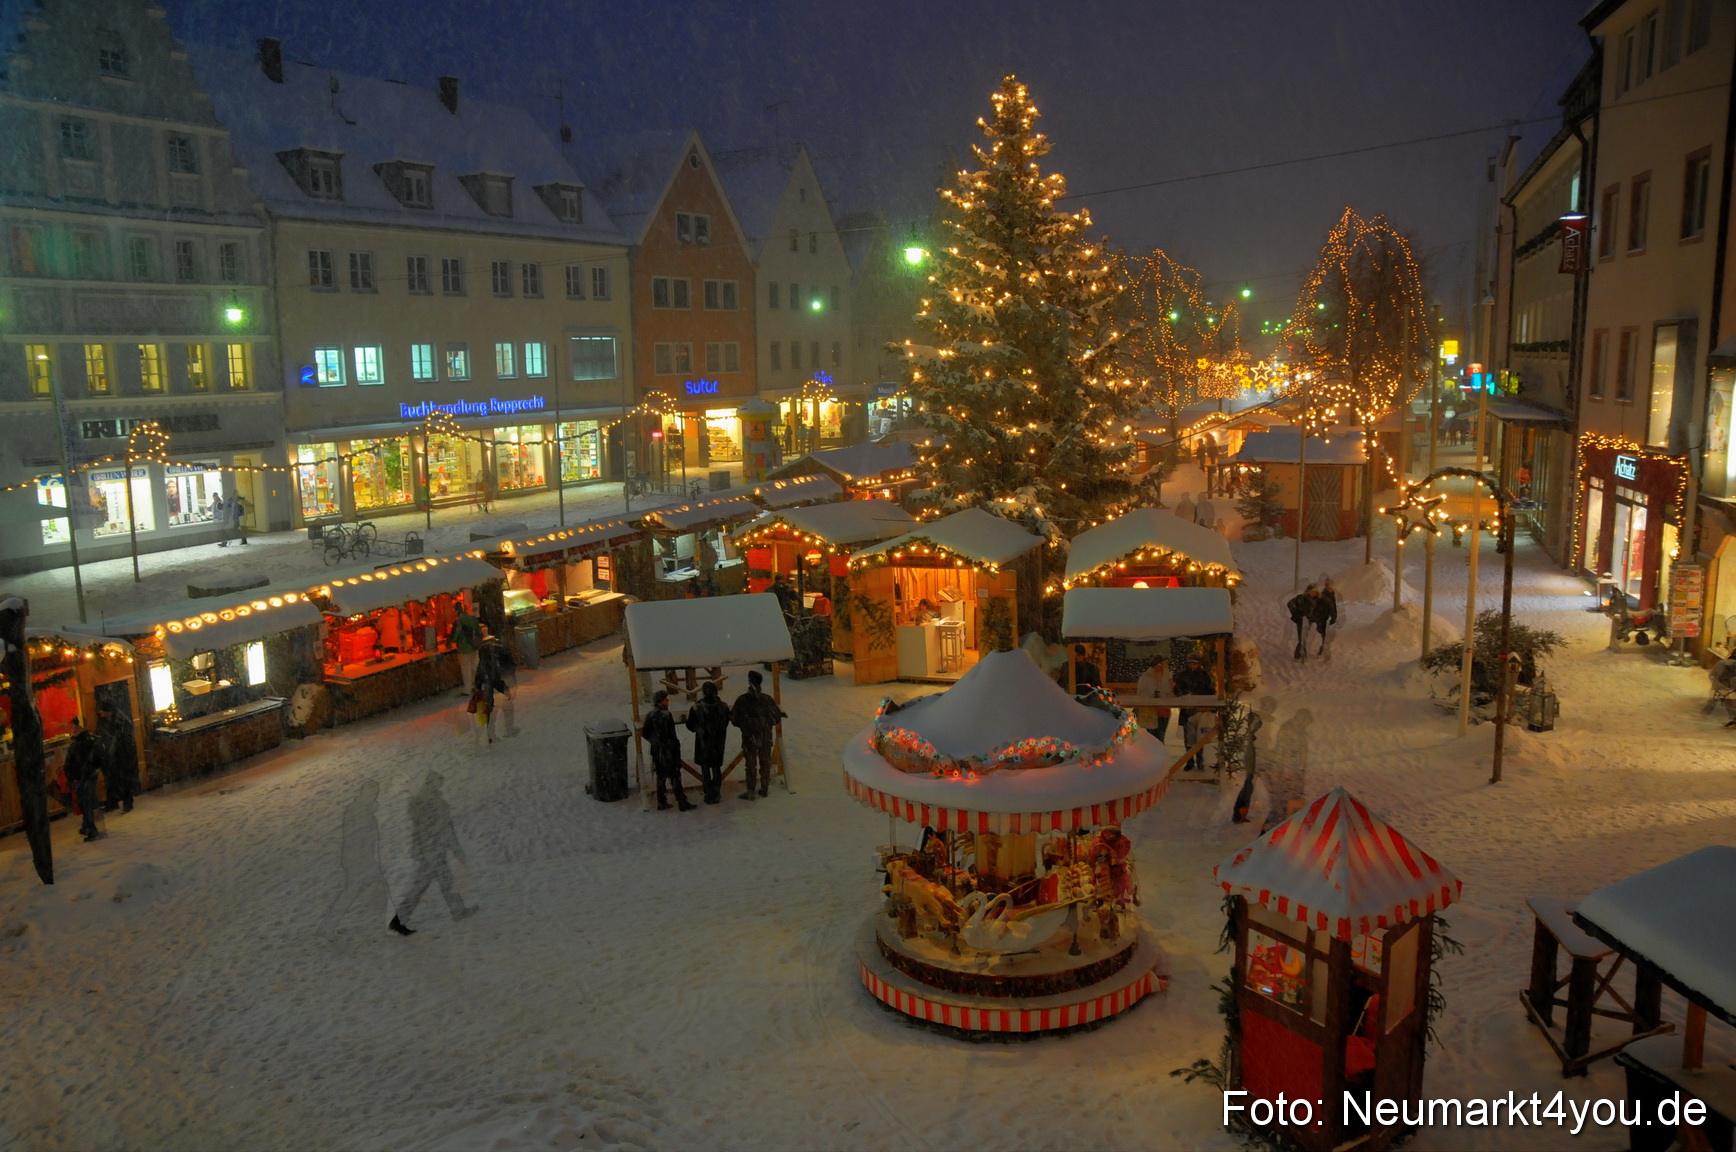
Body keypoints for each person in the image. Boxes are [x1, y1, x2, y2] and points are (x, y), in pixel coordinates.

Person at [389, 771, 477, 935]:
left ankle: (458, 911)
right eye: (437, 782)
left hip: (430, 851)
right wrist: (457, 851)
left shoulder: (421, 802)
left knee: (444, 882)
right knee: (421, 887)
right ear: (431, 783)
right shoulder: (433, 803)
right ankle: (398, 920)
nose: (439, 785)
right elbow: (445, 830)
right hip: (432, 852)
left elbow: (440, 828)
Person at [731, 669, 784, 800]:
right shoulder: (767, 699)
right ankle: (764, 788)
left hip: (750, 738)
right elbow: (776, 718)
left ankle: (751, 790)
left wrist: (746, 725)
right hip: (765, 737)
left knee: (750, 765)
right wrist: (765, 724)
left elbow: (734, 719)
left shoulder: (742, 700)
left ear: (749, 682)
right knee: (765, 763)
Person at [641, 690, 693, 811]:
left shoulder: (650, 714)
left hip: (657, 750)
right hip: (668, 750)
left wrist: (655, 741)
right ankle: (681, 801)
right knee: (675, 775)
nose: (668, 701)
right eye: (666, 699)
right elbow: (671, 735)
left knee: (661, 775)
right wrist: (674, 747)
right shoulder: (666, 715)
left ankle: (661, 801)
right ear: (661, 701)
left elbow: (645, 733)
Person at [684, 681, 732, 804]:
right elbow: (726, 722)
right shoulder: (724, 706)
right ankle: (716, 792)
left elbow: (691, 726)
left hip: (703, 744)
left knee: (705, 769)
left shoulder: (697, 707)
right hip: (718, 743)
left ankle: (708, 794)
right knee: (716, 768)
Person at [62, 719, 105, 840]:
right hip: (85, 775)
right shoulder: (87, 740)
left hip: (83, 775)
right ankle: (87, 825)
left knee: (85, 802)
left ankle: (91, 828)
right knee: (85, 801)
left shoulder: (82, 742)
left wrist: (73, 774)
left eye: (74, 728)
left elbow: (79, 761)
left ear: (79, 728)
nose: (72, 730)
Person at [1173, 655, 1217, 772]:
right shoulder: (1182, 676)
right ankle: (1189, 761)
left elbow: (1211, 691)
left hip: (1202, 711)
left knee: (1201, 737)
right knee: (1189, 738)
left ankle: (1201, 761)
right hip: (1187, 712)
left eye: (1195, 663)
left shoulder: (1205, 675)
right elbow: (1177, 690)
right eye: (1191, 663)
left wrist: (1209, 705)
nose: (1193, 665)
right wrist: (1184, 696)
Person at [95, 704, 137, 813]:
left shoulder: (119, 721)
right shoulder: (106, 722)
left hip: (120, 755)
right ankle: (113, 802)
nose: (101, 713)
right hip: (112, 756)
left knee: (122, 780)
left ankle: (127, 802)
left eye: (102, 711)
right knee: (113, 780)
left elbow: (121, 739)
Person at [472, 636, 512, 746]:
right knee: (487, 717)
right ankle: (486, 737)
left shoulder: (482, 665)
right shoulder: (490, 665)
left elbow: (478, 679)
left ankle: (485, 736)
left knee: (484, 717)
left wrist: (477, 689)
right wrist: (504, 689)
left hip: (482, 696)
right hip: (487, 696)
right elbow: (495, 680)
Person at [1135, 658, 1172, 744]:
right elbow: (1141, 692)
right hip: (1150, 711)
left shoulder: (1166, 675)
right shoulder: (1146, 677)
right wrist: (1152, 695)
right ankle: (1155, 753)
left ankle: (1159, 753)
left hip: (1163, 709)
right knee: (1152, 736)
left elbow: (1168, 691)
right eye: (1159, 665)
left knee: (1161, 736)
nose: (1161, 667)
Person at [452, 607, 482, 697]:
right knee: (474, 667)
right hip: (474, 646)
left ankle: (467, 689)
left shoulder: (458, 622)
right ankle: (474, 685)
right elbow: (478, 630)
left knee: (466, 669)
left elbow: (456, 635)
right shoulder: (472, 618)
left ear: (456, 611)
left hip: (464, 648)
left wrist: (452, 641)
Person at [1287, 584, 1319, 661]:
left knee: (1303, 639)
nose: (1314, 593)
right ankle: (1302, 656)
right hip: (1302, 621)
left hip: (1309, 622)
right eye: (1313, 591)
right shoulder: (1302, 597)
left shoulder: (1316, 600)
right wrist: (1297, 613)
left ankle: (1298, 655)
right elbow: (1290, 604)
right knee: (1302, 639)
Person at [1312, 578, 1339, 657]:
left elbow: (1333, 607)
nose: (1331, 588)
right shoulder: (1323, 594)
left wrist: (1334, 617)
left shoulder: (1331, 594)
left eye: (1331, 586)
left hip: (1326, 617)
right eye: (1327, 585)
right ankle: (1323, 649)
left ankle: (1323, 648)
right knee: (1324, 634)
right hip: (1321, 617)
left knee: (1326, 635)